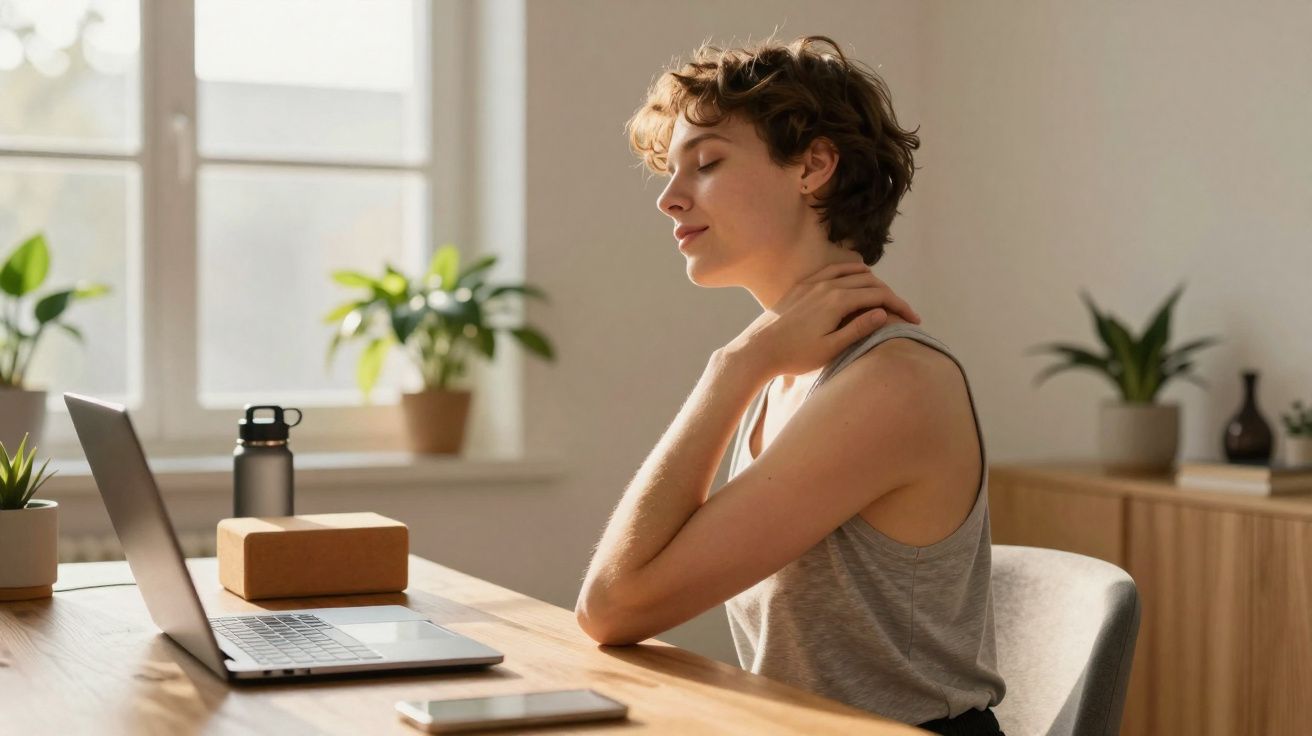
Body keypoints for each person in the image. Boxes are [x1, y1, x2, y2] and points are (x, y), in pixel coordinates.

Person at [575, 34, 1006, 736]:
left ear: (814, 166)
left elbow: (612, 606)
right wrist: (752, 362)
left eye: (707, 163)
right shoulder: (787, 371)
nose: (669, 200)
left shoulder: (892, 382)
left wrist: (732, 367)